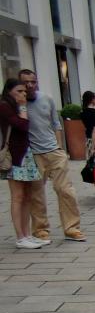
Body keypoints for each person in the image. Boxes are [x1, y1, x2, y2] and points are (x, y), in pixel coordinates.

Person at [21, 69, 86, 243]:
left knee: (65, 190)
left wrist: (60, 148)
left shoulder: (46, 99)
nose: (30, 85)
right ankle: (40, 229)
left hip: (53, 151)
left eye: (33, 81)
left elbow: (56, 123)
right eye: (26, 82)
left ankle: (72, 228)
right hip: (33, 153)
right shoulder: (17, 103)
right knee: (36, 194)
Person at [0, 79, 44, 248]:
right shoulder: (4, 106)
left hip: (25, 153)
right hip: (14, 155)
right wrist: (23, 107)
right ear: (9, 91)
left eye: (24, 91)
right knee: (18, 196)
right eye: (19, 91)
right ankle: (20, 236)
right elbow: (22, 125)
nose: (23, 94)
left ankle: (27, 234)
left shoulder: (15, 106)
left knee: (26, 196)